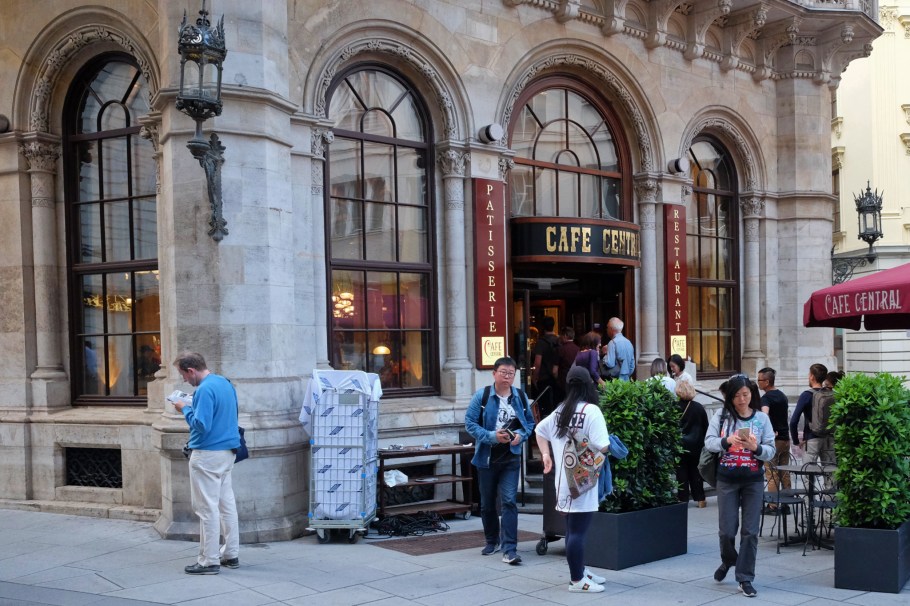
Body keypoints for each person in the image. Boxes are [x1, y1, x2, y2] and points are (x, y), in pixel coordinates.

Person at [535, 365, 610, 593]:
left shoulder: (560, 411)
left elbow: (539, 429)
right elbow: (603, 446)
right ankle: (577, 580)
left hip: (563, 482)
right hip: (583, 481)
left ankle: (580, 570)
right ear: (589, 385)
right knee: (578, 532)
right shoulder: (592, 411)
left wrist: (547, 455)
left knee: (572, 529)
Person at [704, 374, 775, 598]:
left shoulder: (762, 420)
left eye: (745, 395)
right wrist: (727, 441)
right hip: (726, 479)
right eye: (737, 396)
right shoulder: (723, 416)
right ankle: (729, 560)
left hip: (753, 479)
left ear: (752, 395)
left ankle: (745, 577)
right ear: (730, 397)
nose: (742, 400)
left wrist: (756, 448)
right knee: (726, 531)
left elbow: (771, 450)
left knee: (750, 531)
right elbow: (709, 442)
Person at [171, 352, 241, 575]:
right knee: (226, 505)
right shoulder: (224, 382)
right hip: (228, 452)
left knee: (206, 509)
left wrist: (184, 408)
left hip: (207, 454)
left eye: (183, 374)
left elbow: (201, 425)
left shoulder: (204, 389)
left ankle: (209, 560)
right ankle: (230, 554)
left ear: (191, 370)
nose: (184, 380)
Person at [464, 357, 536, 565]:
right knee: (487, 504)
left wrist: (520, 435)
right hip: (486, 458)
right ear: (494, 373)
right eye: (503, 372)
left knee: (509, 502)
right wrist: (492, 436)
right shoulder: (483, 396)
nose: (507, 377)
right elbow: (469, 423)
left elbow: (529, 424)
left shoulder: (520, 397)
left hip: (511, 459)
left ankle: (510, 549)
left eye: (511, 373)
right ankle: (491, 540)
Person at [757, 367, 791, 500]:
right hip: (785, 439)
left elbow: (764, 415)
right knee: (784, 471)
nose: (758, 382)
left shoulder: (765, 399)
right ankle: (788, 502)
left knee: (772, 472)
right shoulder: (782, 395)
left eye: (759, 380)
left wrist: (768, 431)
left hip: (774, 440)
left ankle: (773, 504)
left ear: (766, 381)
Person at [675, 380, 708, 507]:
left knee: (681, 473)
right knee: (696, 472)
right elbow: (706, 426)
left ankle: (682, 499)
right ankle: (700, 499)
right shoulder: (699, 407)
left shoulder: (674, 407)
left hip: (680, 445)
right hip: (696, 446)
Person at [789, 363, 827, 463]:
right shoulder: (831, 394)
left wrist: (796, 441)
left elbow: (793, 421)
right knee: (830, 472)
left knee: (808, 473)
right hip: (829, 438)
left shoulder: (806, 395)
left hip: (811, 438)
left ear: (812, 377)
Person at [531, 316, 560, 418]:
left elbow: (537, 362)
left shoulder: (541, 343)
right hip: (557, 379)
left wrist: (534, 378)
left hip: (544, 378)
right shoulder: (559, 341)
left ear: (543, 327)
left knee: (544, 407)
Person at [555, 326, 581, 402]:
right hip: (576, 381)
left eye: (561, 335)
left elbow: (554, 370)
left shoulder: (560, 350)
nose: (560, 337)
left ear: (565, 336)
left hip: (563, 382)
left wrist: (557, 380)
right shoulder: (578, 349)